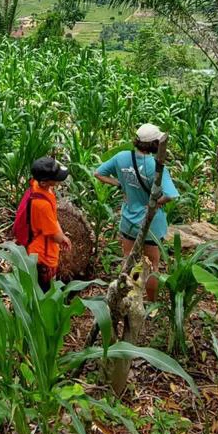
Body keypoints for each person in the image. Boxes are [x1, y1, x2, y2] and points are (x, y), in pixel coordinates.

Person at [94, 123, 178, 301]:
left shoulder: (121, 157)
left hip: (128, 221)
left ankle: (129, 299)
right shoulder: (156, 166)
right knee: (152, 265)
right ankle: (151, 303)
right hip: (150, 225)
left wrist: (120, 184)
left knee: (129, 260)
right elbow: (171, 194)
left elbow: (98, 173)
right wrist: (154, 204)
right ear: (154, 144)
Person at [25, 156, 73, 291]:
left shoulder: (38, 186)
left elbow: (53, 218)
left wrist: (62, 234)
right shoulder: (41, 205)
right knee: (45, 291)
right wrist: (61, 237)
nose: (58, 180)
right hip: (42, 256)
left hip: (37, 246)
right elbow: (56, 237)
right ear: (45, 182)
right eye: (55, 177)